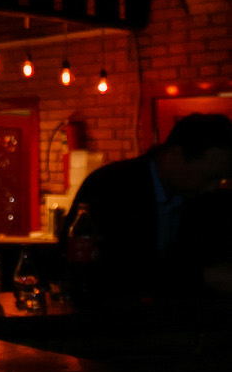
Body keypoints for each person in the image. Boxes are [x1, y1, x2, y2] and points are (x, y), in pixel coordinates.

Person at [62, 112, 232, 308]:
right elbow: (107, 270)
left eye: (221, 178)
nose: (213, 187)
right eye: (208, 177)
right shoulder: (110, 188)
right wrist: (201, 278)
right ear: (175, 155)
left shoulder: (208, 201)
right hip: (112, 318)